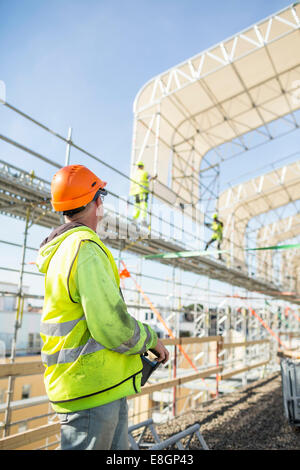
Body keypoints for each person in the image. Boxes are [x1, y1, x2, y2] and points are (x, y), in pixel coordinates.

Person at [36, 164, 169, 450]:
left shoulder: (63, 248)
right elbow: (111, 326)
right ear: (98, 202)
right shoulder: (85, 248)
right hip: (90, 388)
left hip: (94, 385)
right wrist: (151, 339)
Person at [129, 161, 157, 227]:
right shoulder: (144, 173)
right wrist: (155, 177)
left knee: (137, 206)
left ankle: (134, 220)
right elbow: (150, 178)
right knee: (143, 205)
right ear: (142, 167)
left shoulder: (134, 174)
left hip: (135, 192)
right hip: (143, 191)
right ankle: (143, 220)